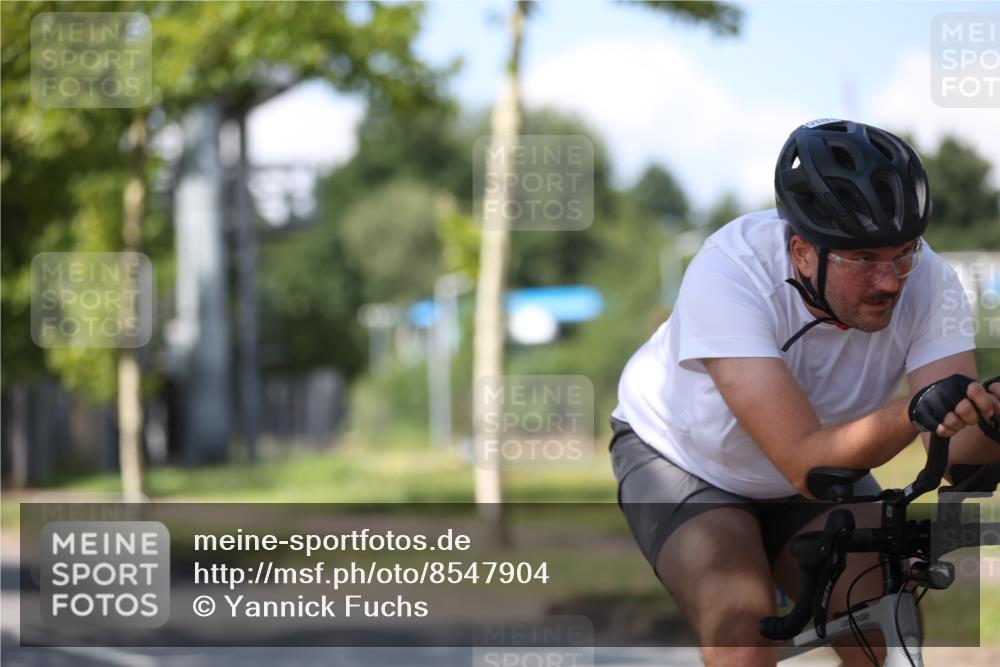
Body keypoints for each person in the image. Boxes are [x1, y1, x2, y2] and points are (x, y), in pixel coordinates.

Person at [608, 118, 1000, 667]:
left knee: (887, 624)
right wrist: (917, 410)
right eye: (864, 261)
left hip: (819, 468)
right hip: (684, 460)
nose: (890, 281)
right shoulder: (730, 272)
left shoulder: (931, 281)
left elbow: (961, 460)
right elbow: (804, 463)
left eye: (903, 253)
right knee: (743, 629)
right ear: (800, 252)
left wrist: (988, 417)